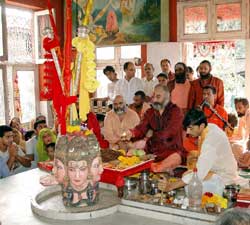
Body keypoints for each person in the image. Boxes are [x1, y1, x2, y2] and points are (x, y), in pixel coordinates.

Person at [158, 109, 248, 194]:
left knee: (190, 187)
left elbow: (199, 173)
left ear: (201, 126)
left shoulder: (211, 139)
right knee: (186, 175)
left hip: (224, 176)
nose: (188, 132)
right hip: (215, 171)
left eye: (191, 128)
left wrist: (171, 186)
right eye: (187, 128)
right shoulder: (209, 128)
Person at [125, 84, 184, 172]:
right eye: (154, 96)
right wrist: (131, 133)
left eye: (158, 96)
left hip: (171, 151)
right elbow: (141, 128)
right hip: (152, 151)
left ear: (167, 98)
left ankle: (154, 167)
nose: (154, 99)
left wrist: (152, 136)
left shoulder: (176, 111)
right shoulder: (150, 112)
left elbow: (168, 133)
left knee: (167, 163)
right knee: (129, 156)